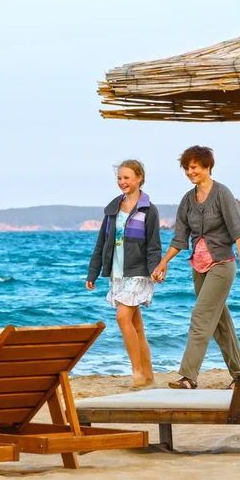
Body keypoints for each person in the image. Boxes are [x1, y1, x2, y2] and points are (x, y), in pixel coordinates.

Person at [152, 145, 240, 390]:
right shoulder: (187, 200)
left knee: (200, 315)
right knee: (220, 324)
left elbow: (238, 232)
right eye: (186, 168)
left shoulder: (222, 194)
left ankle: (189, 376)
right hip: (198, 268)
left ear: (208, 166)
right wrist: (163, 262)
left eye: (194, 167)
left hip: (221, 265)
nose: (190, 171)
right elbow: (179, 239)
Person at [86, 160, 161, 387]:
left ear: (139, 178)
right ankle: (149, 376)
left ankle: (137, 372)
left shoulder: (149, 209)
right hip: (117, 274)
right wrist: (93, 273)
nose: (122, 182)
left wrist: (155, 269)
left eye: (127, 177)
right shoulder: (112, 209)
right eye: (119, 178)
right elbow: (102, 242)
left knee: (121, 317)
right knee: (136, 325)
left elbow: (153, 245)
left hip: (139, 273)